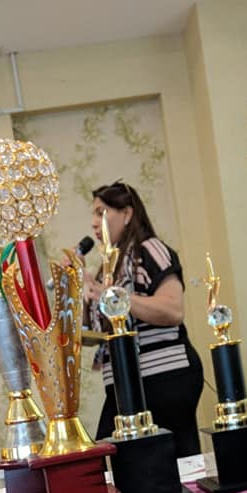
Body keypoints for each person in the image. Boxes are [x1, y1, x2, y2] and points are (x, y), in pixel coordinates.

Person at [82, 181, 204, 458]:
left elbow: (172, 310)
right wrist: (82, 292)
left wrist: (112, 295)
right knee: (115, 458)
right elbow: (95, 334)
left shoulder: (149, 250)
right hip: (123, 383)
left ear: (127, 213)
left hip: (164, 377)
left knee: (173, 460)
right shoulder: (107, 268)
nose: (93, 223)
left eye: (101, 213)